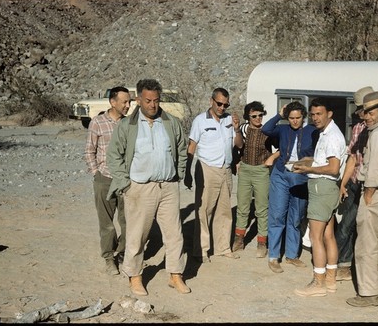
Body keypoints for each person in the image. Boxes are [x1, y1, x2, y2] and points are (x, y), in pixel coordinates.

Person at [106, 78, 190, 296]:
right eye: (148, 100)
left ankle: (175, 275)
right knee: (137, 236)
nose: (152, 105)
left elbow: (182, 149)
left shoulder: (171, 122)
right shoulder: (127, 126)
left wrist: (178, 174)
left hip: (168, 186)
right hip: (140, 188)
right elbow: (114, 156)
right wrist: (125, 183)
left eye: (156, 100)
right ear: (138, 100)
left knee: (174, 234)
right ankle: (134, 277)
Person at [335, 87, 378, 282]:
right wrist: (343, 184)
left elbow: (376, 169)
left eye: (369, 111)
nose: (365, 115)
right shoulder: (361, 129)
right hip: (357, 182)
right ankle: (344, 264)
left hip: (370, 188)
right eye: (364, 111)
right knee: (348, 226)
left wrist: (369, 195)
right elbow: (353, 159)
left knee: (366, 237)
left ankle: (365, 282)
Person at [293, 98, 346, 297]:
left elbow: (333, 168)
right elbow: (326, 161)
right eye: (313, 114)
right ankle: (330, 280)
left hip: (322, 188)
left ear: (329, 113)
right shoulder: (327, 133)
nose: (315, 118)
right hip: (328, 188)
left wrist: (309, 169)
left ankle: (319, 283)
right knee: (328, 235)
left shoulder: (331, 136)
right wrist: (307, 162)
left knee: (315, 237)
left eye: (319, 114)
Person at [184, 87, 243, 263]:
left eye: (225, 105)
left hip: (225, 169)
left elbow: (239, 145)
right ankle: (200, 250)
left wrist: (237, 129)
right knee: (204, 211)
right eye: (219, 103)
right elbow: (192, 147)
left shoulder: (229, 120)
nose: (222, 107)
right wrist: (187, 171)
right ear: (211, 101)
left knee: (224, 211)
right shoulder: (200, 121)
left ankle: (223, 247)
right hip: (207, 168)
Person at [261, 101, 316, 273]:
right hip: (281, 174)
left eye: (298, 118)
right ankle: (274, 256)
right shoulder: (283, 129)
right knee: (277, 214)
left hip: (300, 176)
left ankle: (292, 255)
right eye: (291, 118)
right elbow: (266, 129)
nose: (294, 121)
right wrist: (279, 115)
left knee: (296, 216)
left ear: (303, 117)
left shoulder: (312, 131)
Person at [84, 86, 130, 276]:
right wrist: (96, 173)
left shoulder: (130, 124)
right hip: (104, 178)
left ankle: (123, 252)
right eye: (125, 102)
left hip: (126, 180)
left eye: (129, 102)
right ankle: (109, 258)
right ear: (113, 102)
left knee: (129, 222)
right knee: (107, 223)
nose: (128, 105)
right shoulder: (97, 122)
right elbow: (89, 150)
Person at [232, 101, 280, 258]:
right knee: (243, 206)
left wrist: (272, 157)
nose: (258, 118)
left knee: (261, 208)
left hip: (261, 171)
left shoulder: (268, 131)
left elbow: (280, 148)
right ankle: (239, 239)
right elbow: (239, 146)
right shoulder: (245, 128)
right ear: (248, 116)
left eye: (260, 115)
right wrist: (237, 129)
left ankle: (262, 242)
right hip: (245, 170)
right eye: (254, 116)